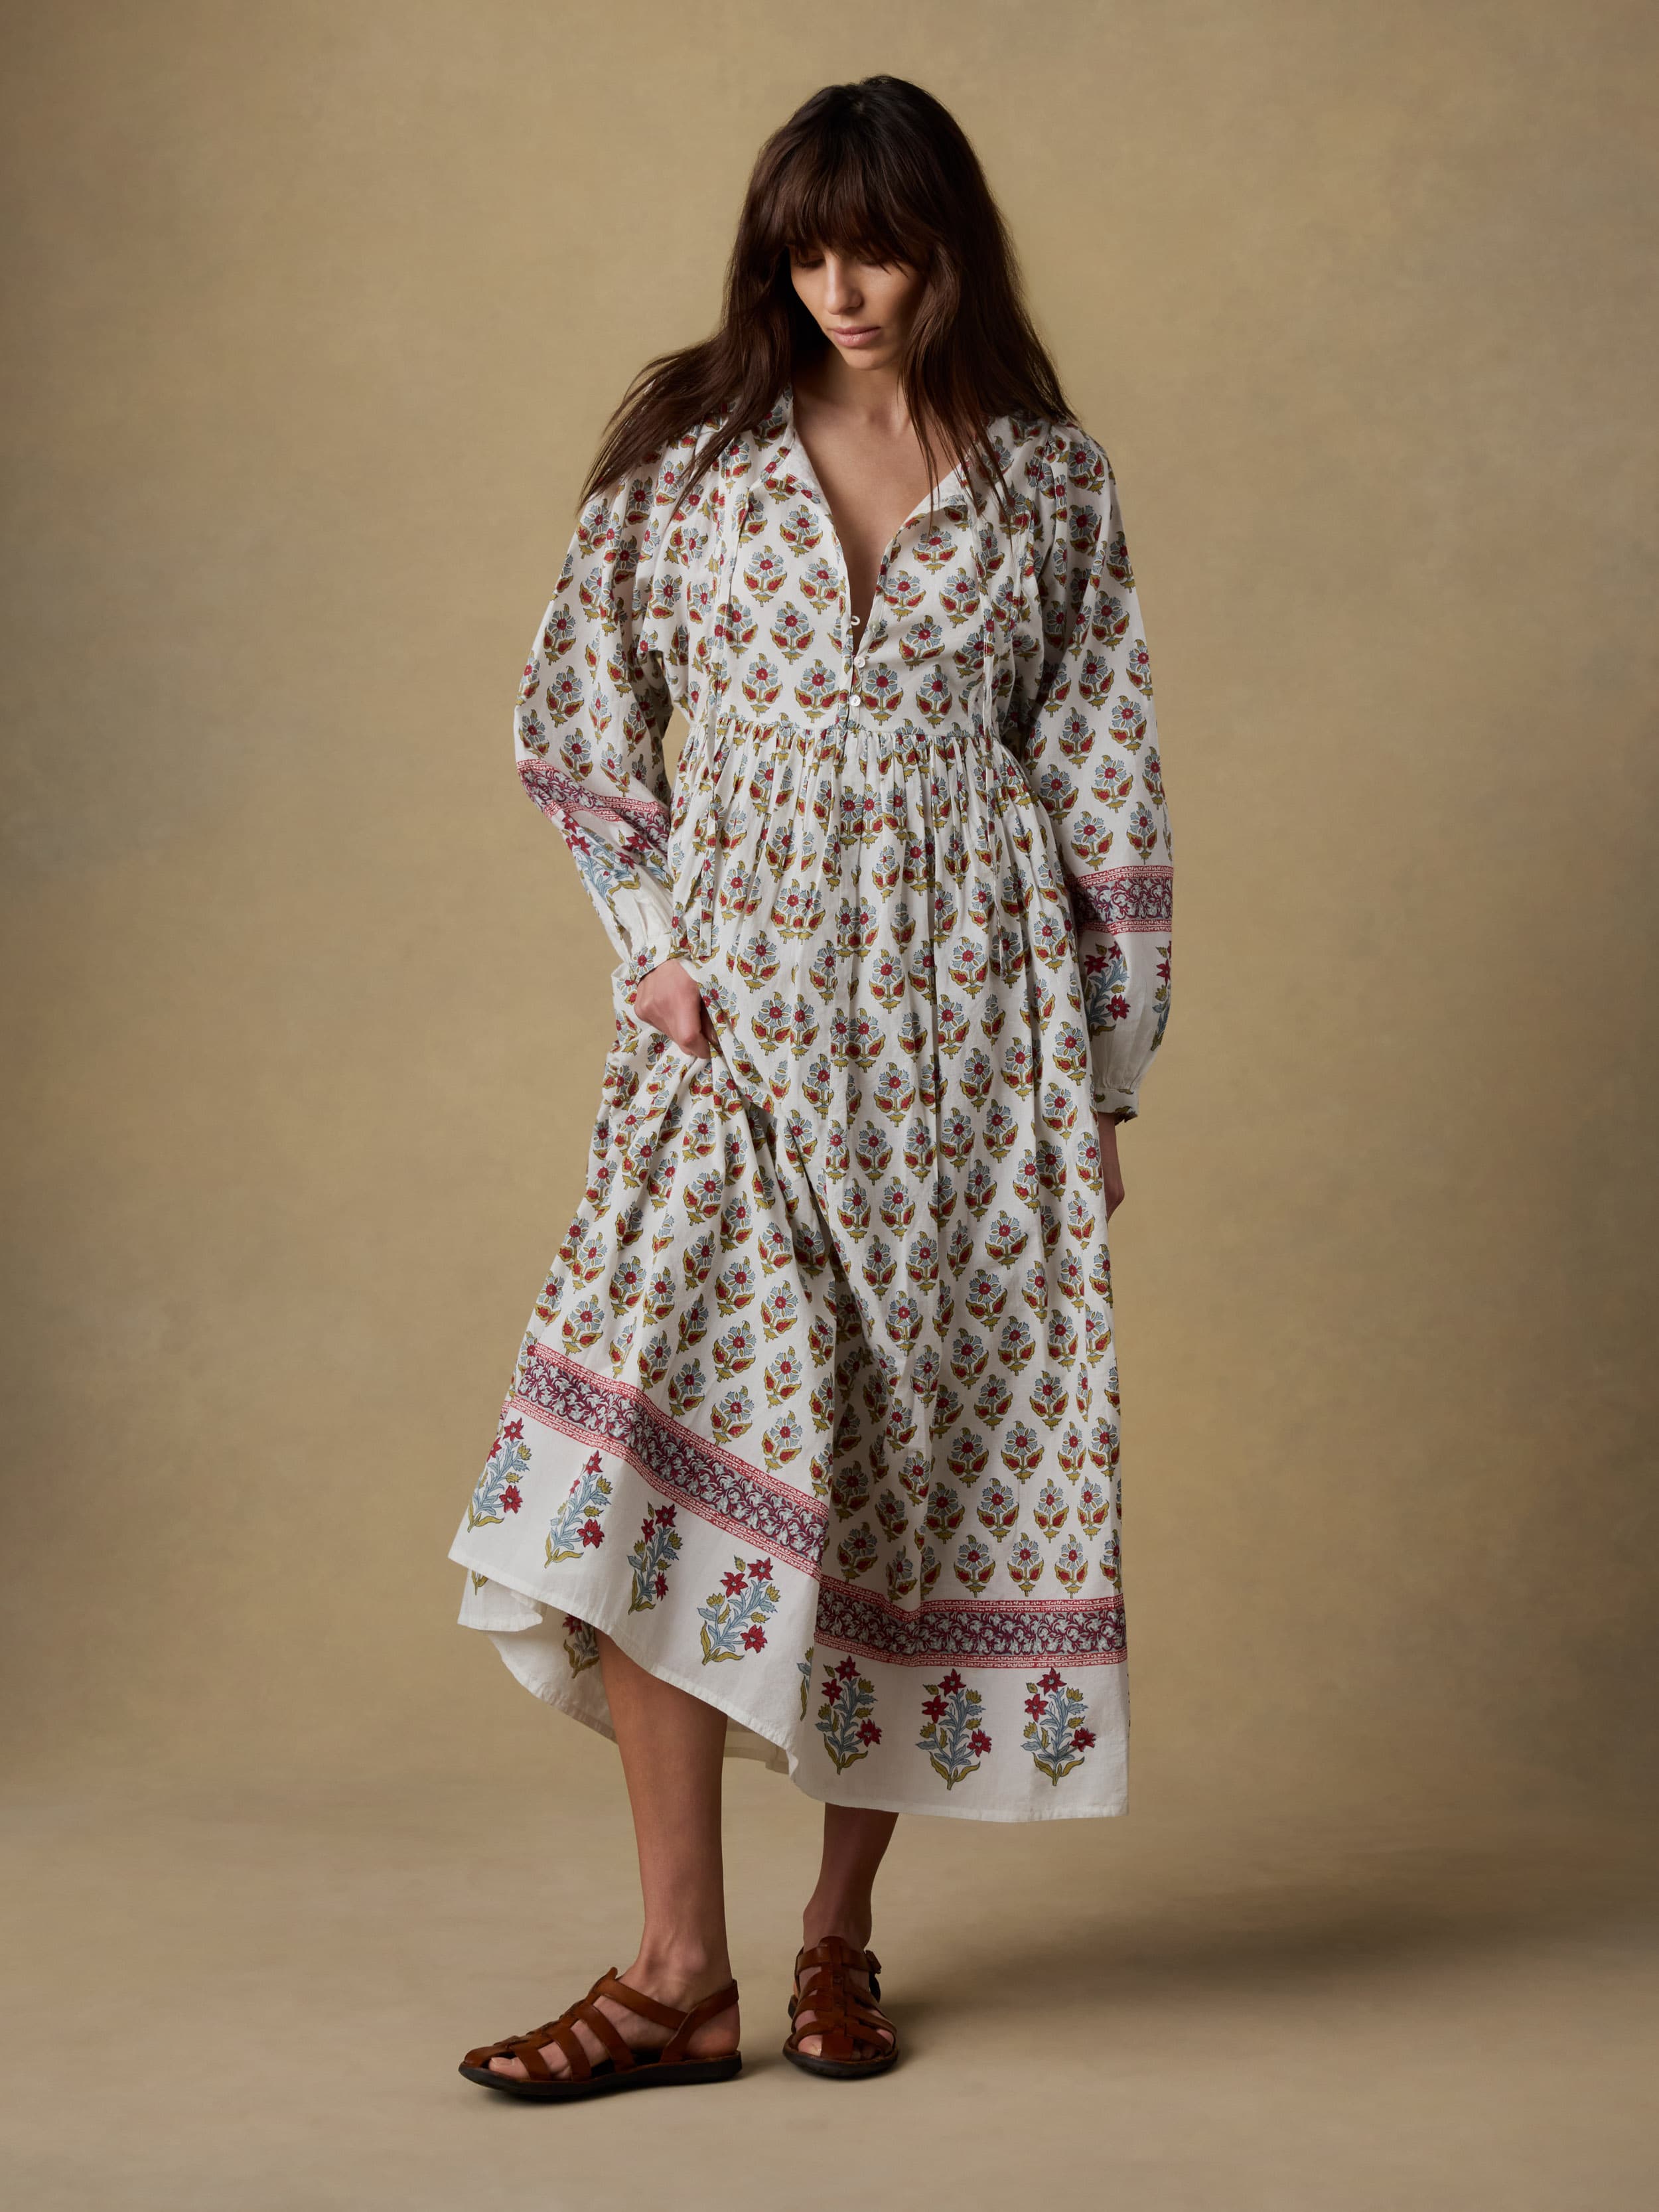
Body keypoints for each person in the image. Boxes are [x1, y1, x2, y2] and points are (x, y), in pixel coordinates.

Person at [449, 72, 1173, 2101]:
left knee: (910, 1472)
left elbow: (1102, 775)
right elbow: (577, 712)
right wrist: (653, 950)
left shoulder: (1044, 480)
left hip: (968, 1052)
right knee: (651, 1445)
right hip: (738, 1026)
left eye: (882, 246)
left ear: (950, 247)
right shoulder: (689, 457)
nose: (844, 287)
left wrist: (1097, 1085)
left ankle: (834, 1939)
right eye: (809, 249)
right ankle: (676, 1968)